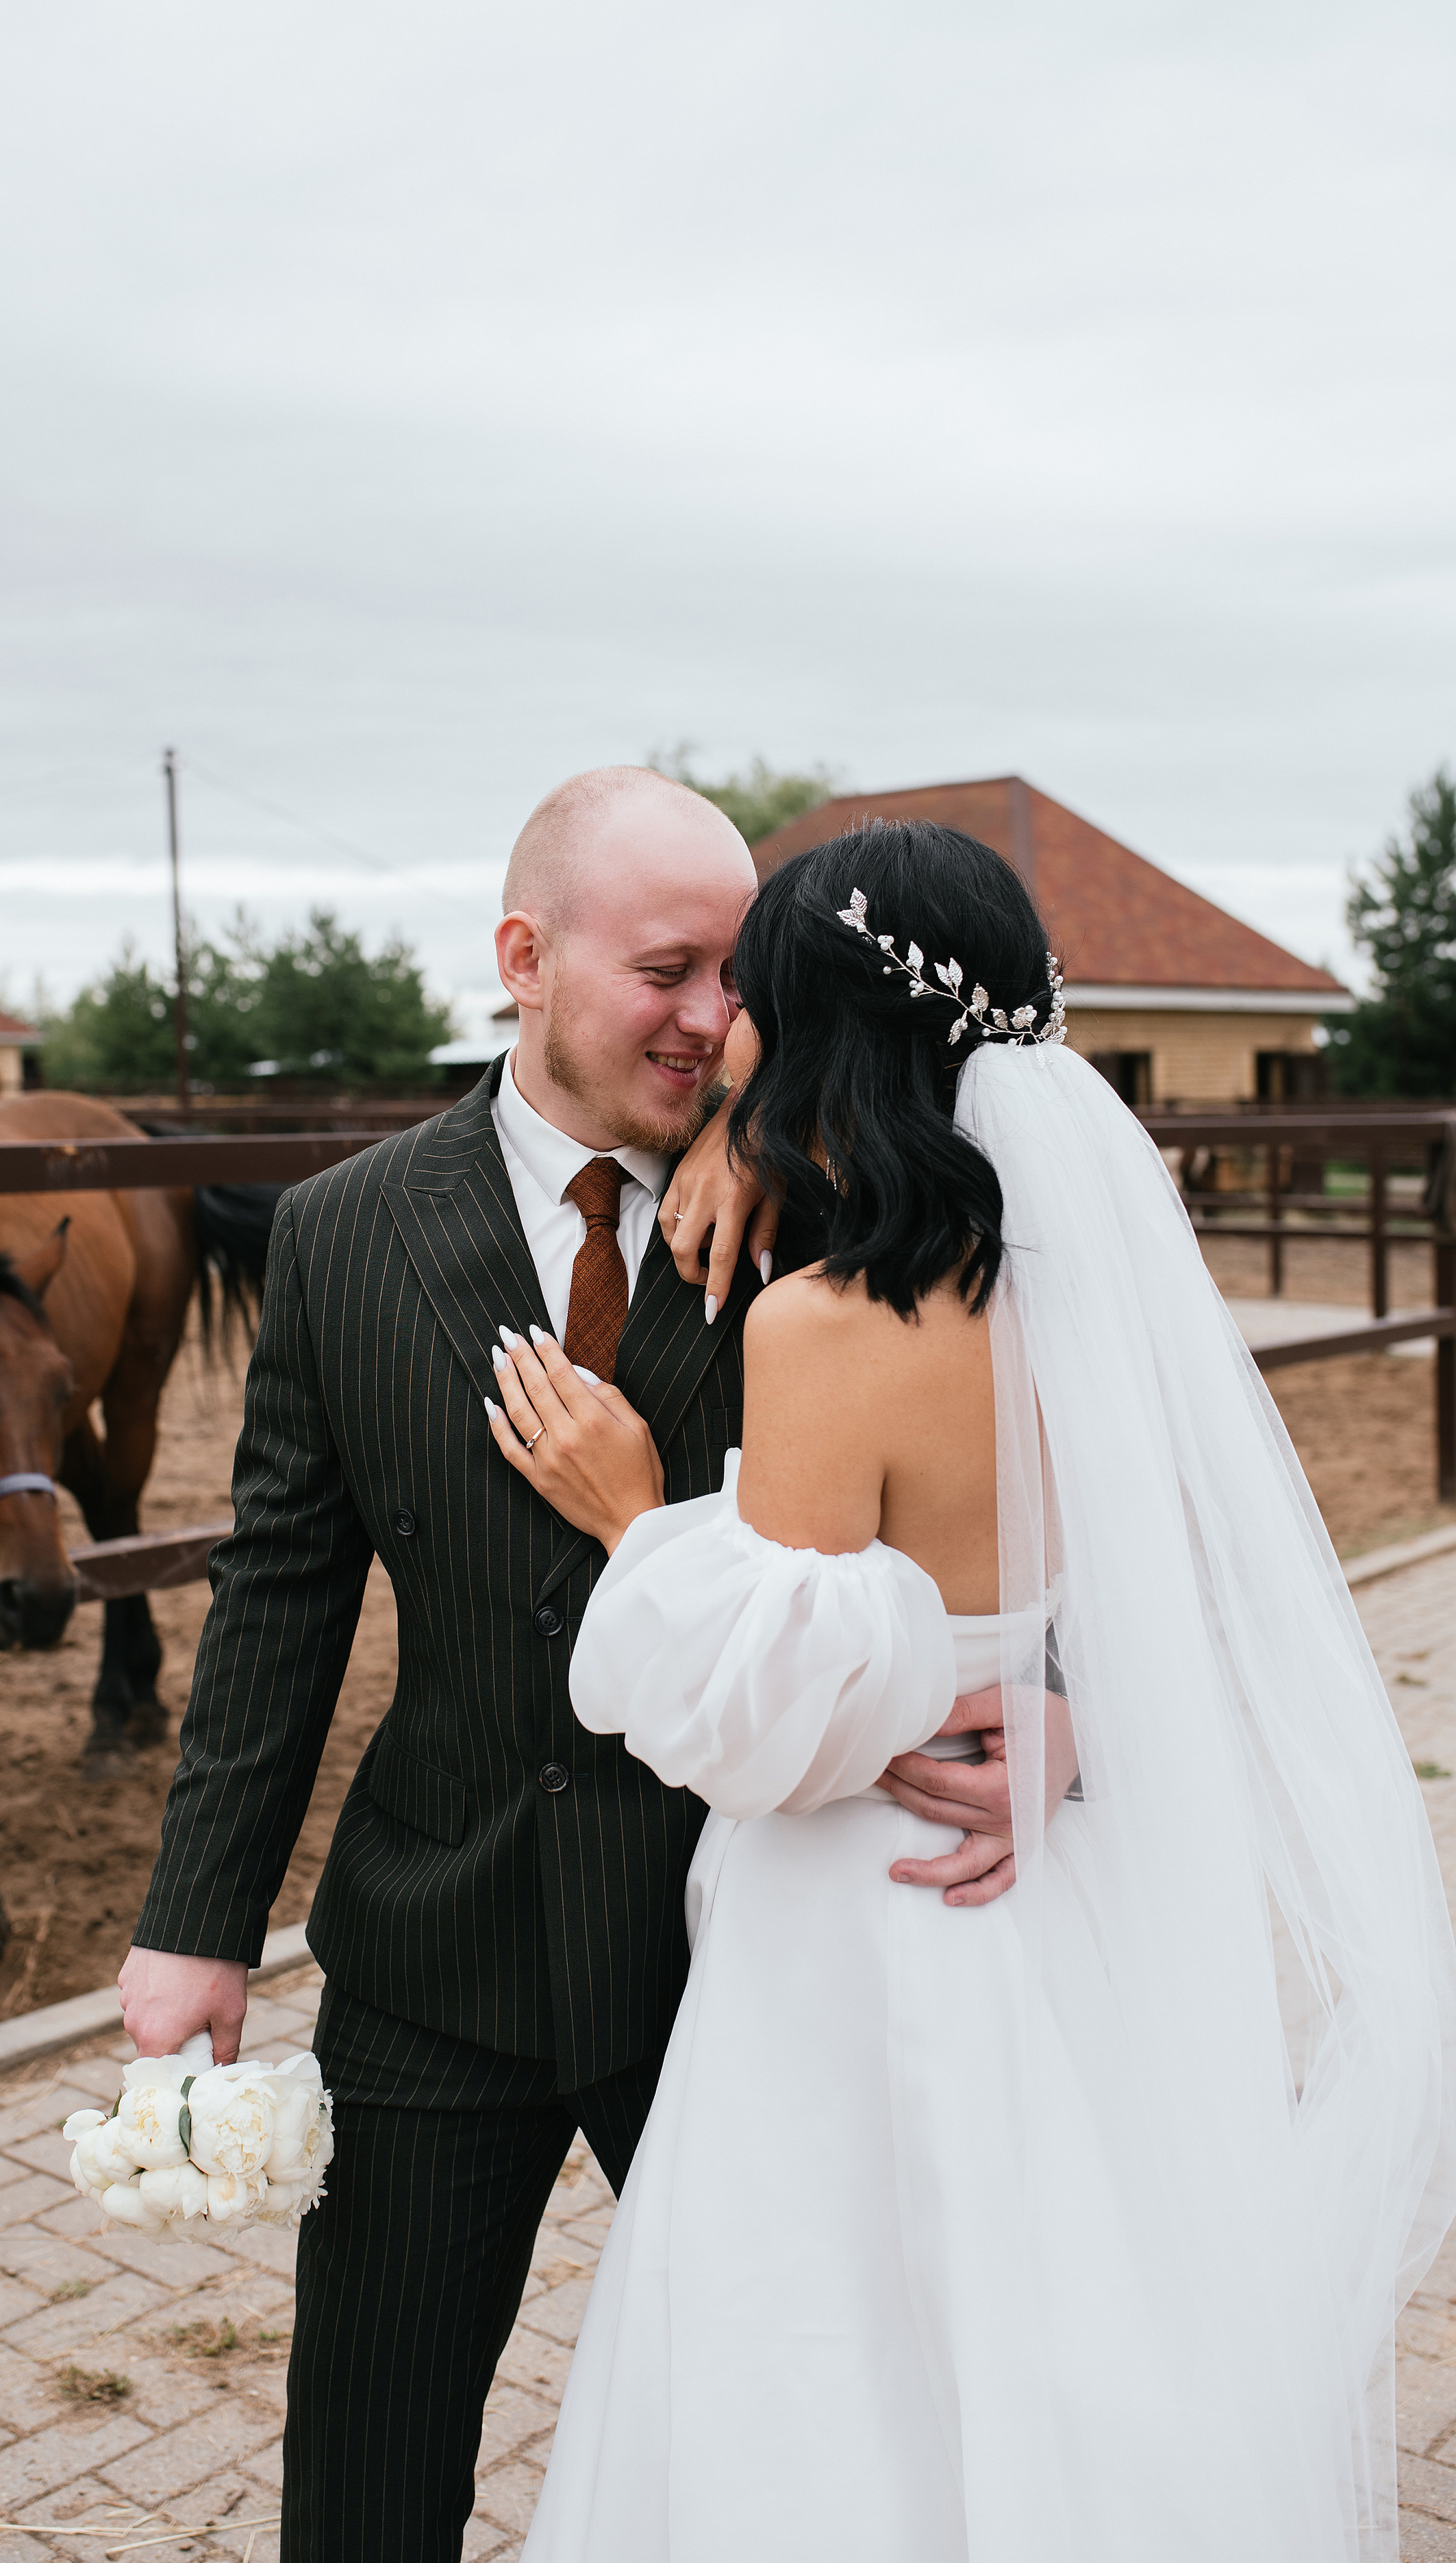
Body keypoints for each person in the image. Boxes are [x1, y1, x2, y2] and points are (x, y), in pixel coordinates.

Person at [488, 819, 1456, 2562]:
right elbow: (1166, 1589)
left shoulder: (823, 1324)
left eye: (752, 999)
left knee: (837, 2351)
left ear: (818, 1033)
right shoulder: (1098, 1299)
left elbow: (780, 1713)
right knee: (1072, 2302)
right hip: (1062, 1883)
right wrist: (1072, 1715)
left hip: (873, 1909)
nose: (724, 1033)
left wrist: (637, 1519)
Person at [119, 768, 1002, 2560]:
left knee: (792, 2469)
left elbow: (995, 1505)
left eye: (739, 977)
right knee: (364, 2486)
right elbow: (283, 1589)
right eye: (666, 972)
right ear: (524, 959)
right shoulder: (343, 1232)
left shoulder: (837, 1213)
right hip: (431, 1949)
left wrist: (1055, 1710)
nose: (713, 1018)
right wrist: (198, 1922)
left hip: (731, 1953)